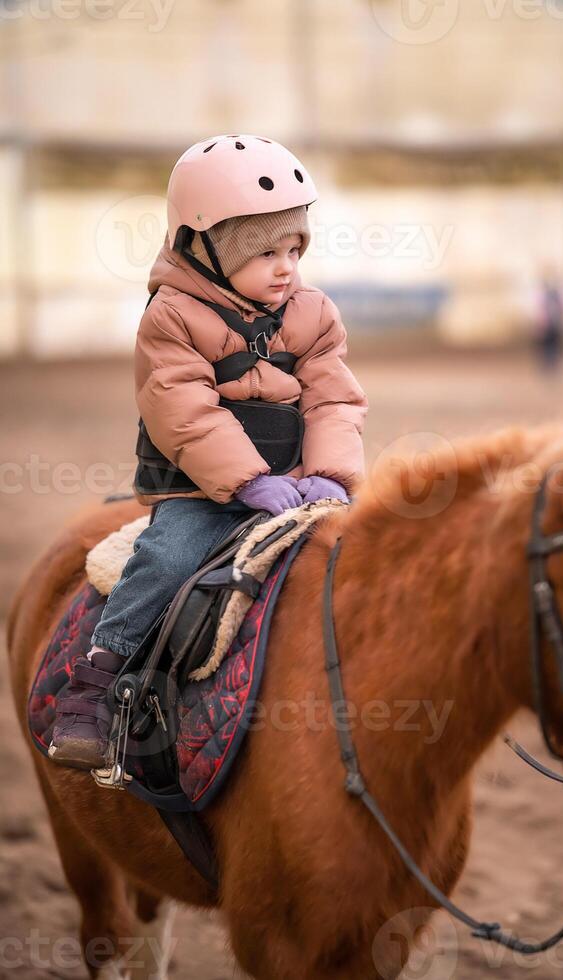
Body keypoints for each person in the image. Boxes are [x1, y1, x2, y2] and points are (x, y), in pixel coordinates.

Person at [49, 134, 368, 771]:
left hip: (303, 489)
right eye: (264, 252)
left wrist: (330, 476)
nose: (285, 267)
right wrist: (248, 480)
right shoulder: (170, 317)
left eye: (293, 249)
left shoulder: (313, 313)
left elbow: (334, 400)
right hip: (203, 492)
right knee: (167, 558)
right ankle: (94, 687)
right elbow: (183, 410)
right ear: (207, 251)